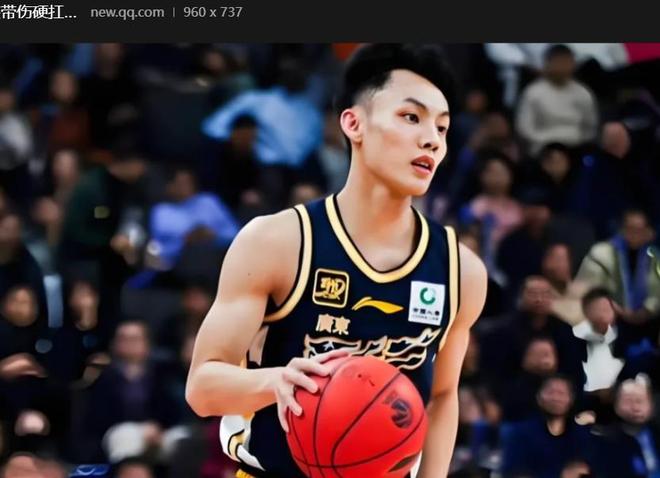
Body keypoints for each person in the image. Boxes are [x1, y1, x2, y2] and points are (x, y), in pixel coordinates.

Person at [186, 44, 488, 478]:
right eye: (411, 117)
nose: (432, 140)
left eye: (442, 128)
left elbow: (442, 398)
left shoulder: (462, 271)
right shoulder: (276, 242)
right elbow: (202, 388)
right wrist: (273, 381)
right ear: (353, 123)